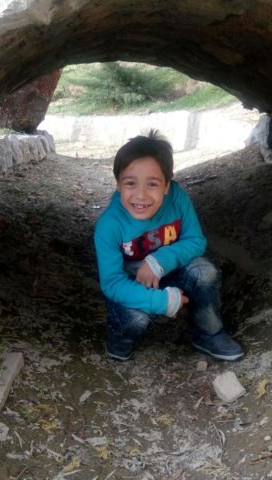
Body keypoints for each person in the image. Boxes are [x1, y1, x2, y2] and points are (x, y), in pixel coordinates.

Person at [94, 130, 244, 362]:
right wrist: (161, 302)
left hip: (170, 271)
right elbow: (112, 283)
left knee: (204, 272)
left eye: (152, 184)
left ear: (166, 185)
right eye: (130, 183)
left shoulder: (178, 199)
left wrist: (159, 261)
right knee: (135, 320)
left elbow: (196, 240)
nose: (141, 195)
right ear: (118, 185)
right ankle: (119, 340)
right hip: (131, 285)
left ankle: (208, 333)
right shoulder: (109, 225)